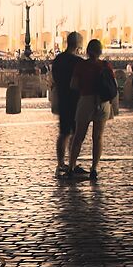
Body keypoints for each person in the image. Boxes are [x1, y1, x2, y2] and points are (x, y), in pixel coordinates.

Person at [69, 39, 116, 178]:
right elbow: (112, 86)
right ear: (100, 51)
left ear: (88, 50)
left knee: (79, 136)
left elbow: (73, 85)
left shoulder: (81, 66)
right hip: (103, 102)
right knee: (98, 136)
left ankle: (71, 167)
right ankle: (94, 168)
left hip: (86, 100)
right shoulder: (106, 65)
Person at [50, 30, 84, 178]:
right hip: (76, 100)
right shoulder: (79, 62)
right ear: (78, 45)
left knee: (63, 133)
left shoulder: (58, 60)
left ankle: (60, 163)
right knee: (76, 135)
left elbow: (54, 79)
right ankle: (72, 164)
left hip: (62, 98)